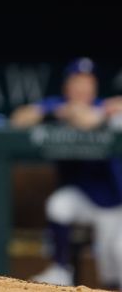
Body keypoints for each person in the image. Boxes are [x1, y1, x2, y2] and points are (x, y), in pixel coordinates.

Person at [12, 58, 122, 288]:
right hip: (83, 197)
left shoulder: (108, 107)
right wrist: (57, 112)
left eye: (87, 82)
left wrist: (101, 112)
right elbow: (18, 119)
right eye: (76, 81)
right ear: (66, 86)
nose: (81, 88)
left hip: (115, 203)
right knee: (59, 205)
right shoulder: (58, 105)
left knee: (115, 262)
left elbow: (88, 120)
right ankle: (61, 269)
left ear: (94, 86)